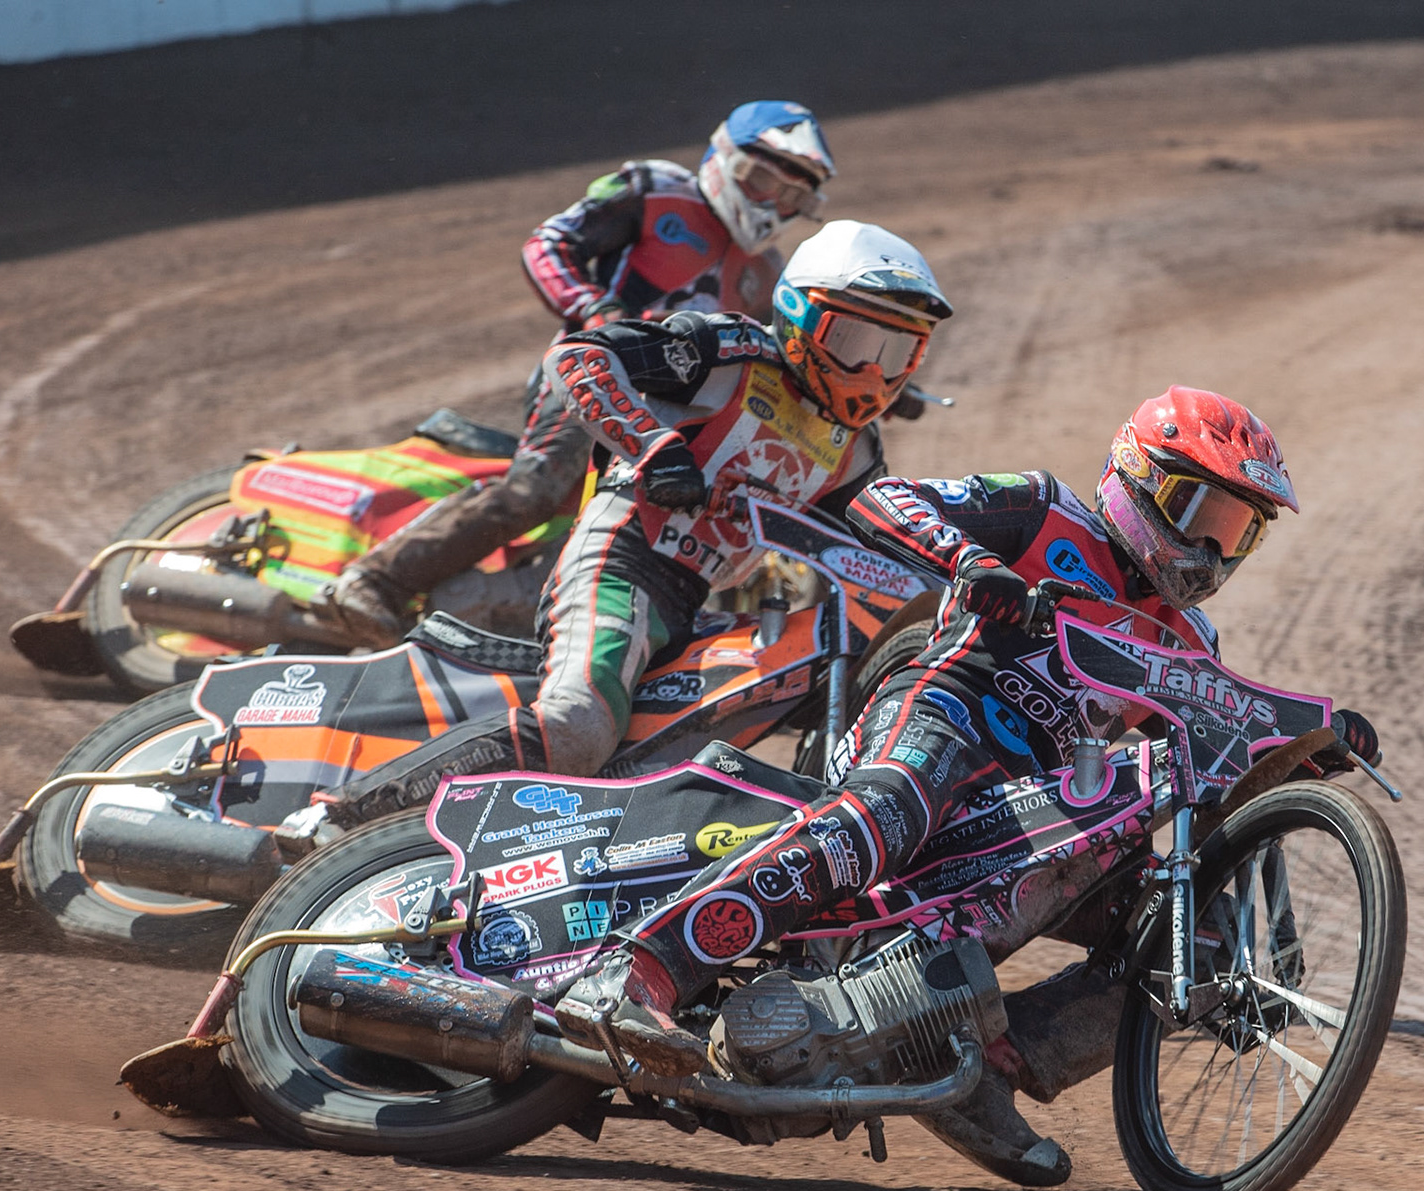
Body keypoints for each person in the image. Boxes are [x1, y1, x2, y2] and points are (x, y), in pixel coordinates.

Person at [551, 386, 1382, 1187]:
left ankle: (978, 1063)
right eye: (1201, 516)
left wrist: (1300, 752)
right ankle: (638, 974)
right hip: (942, 715)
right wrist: (972, 562)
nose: (1210, 552)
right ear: (1138, 480)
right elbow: (884, 501)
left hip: (1035, 812)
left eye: (1238, 534)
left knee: (1191, 937)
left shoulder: (1189, 635)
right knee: (886, 814)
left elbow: (1204, 758)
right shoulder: (1046, 510)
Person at [311, 220, 951, 825]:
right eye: (856, 341)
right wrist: (654, 447)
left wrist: (975, 569)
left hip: (697, 604)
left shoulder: (856, 450)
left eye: (898, 351)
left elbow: (882, 541)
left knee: (673, 761)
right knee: (577, 725)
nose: (873, 370)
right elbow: (580, 359)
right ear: (801, 315)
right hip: (625, 559)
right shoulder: (730, 352)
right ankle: (341, 817)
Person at [315, 101, 836, 648]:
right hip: (594, 375)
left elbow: (778, 356)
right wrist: (594, 307)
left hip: (672, 420)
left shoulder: (770, 273)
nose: (772, 202)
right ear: (724, 158)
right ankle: (374, 580)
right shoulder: (656, 189)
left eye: (793, 195)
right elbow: (550, 243)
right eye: (760, 180)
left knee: (650, 541)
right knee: (537, 489)